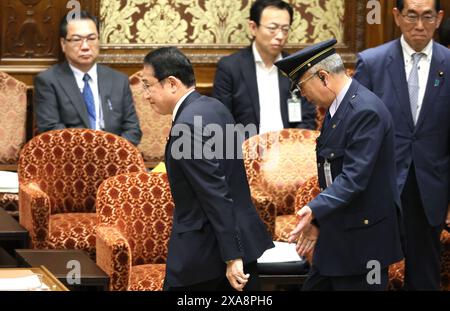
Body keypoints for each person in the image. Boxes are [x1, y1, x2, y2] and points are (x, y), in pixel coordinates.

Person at [274, 39, 404, 290]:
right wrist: (319, 221)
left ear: (323, 76)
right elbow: (331, 175)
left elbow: (353, 178)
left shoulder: (365, 112)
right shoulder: (339, 108)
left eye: (301, 86)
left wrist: (313, 209)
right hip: (337, 238)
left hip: (365, 247)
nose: (302, 95)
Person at [141, 47, 274, 291]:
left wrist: (232, 255)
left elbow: (214, 192)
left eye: (148, 85)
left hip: (207, 255)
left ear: (171, 83)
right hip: (238, 239)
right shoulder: (215, 107)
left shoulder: (187, 126)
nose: (145, 95)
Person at [353, 0, 450, 290]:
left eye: (427, 17)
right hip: (381, 184)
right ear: (396, 16)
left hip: (431, 186)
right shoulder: (372, 62)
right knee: (372, 273)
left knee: (425, 275)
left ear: (439, 17)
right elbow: (356, 131)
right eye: (411, 16)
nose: (419, 26)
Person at [34, 11, 142, 146]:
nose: (85, 46)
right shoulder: (48, 81)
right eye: (77, 39)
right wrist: (90, 153)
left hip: (114, 159)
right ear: (63, 44)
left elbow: (132, 129)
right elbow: (51, 131)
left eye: (91, 38)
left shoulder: (119, 80)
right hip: (69, 161)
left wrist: (112, 153)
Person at [212, 0, 316, 137]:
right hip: (246, 150)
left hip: (289, 149)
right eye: (273, 28)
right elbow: (222, 120)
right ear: (253, 27)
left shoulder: (296, 67)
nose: (280, 36)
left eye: (285, 29)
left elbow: (307, 119)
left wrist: (292, 147)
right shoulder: (230, 67)